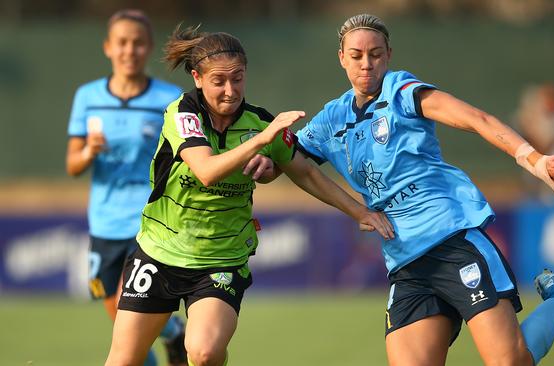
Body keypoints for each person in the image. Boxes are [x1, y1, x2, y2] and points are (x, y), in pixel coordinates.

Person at [294, 14, 554, 366]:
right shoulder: (331, 118)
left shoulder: (401, 91)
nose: (366, 64)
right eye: (357, 55)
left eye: (375, 54)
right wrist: (263, 158)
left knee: (510, 363)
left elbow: (475, 119)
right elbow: (290, 162)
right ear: (342, 58)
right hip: (406, 263)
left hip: (452, 241)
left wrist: (533, 159)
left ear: (388, 55)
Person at [104, 25, 393, 366]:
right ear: (197, 77)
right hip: (159, 252)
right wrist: (262, 140)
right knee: (123, 361)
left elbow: (307, 173)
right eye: (219, 81)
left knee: (205, 352)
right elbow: (207, 172)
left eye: (238, 79)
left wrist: (359, 212)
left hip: (221, 261)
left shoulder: (259, 122)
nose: (230, 90)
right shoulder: (182, 113)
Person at [65, 9, 188, 366]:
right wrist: (89, 150)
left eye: (137, 43)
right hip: (104, 223)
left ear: (148, 48)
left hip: (150, 222)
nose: (129, 50)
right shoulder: (88, 97)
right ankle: (174, 334)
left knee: (130, 302)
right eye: (121, 43)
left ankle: (175, 334)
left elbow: (185, 155)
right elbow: (73, 165)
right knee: (121, 323)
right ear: (108, 47)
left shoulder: (169, 98)